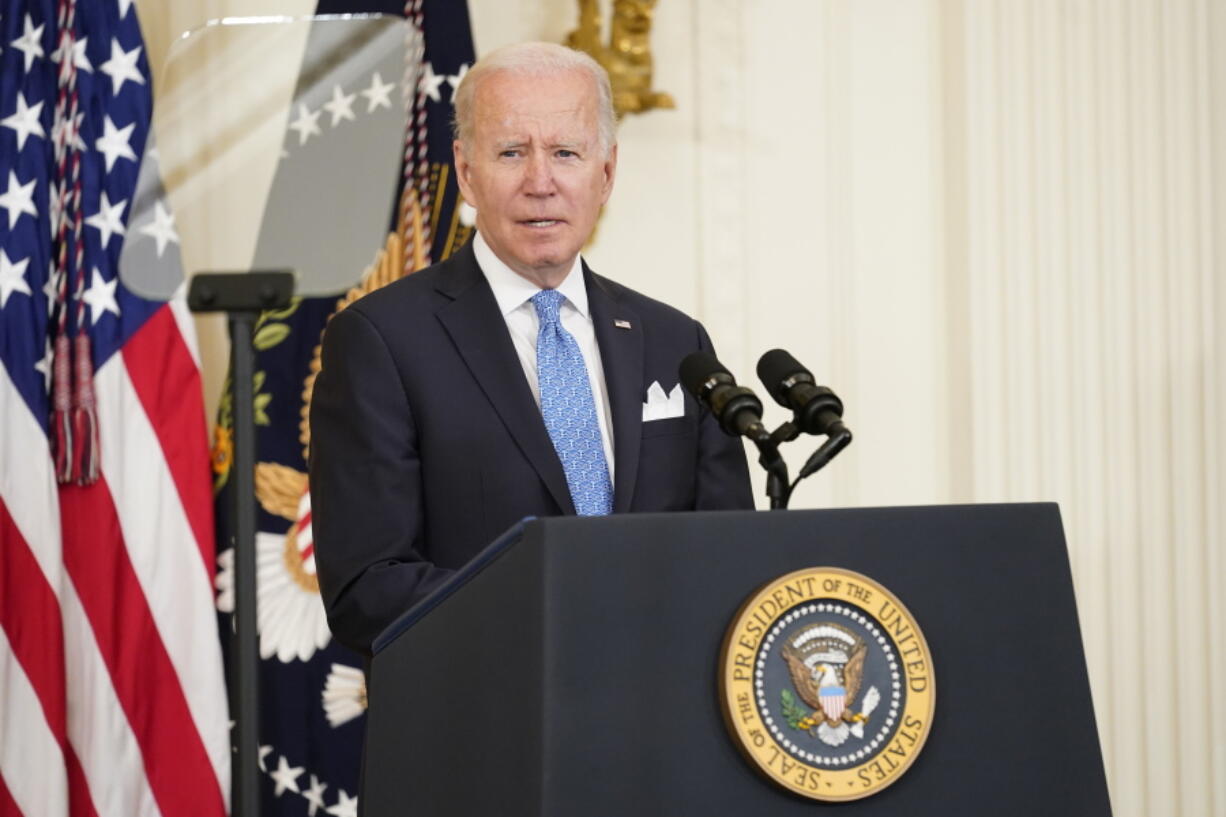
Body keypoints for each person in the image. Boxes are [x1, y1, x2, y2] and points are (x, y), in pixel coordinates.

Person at [309, 42, 753, 657]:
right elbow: (368, 587)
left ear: (606, 172)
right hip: (487, 728)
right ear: (466, 172)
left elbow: (730, 551)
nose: (540, 183)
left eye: (566, 153)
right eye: (512, 153)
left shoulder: (677, 343)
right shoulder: (381, 340)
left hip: (661, 722)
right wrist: (568, 619)